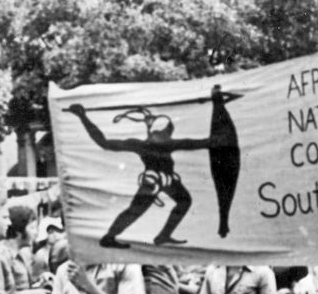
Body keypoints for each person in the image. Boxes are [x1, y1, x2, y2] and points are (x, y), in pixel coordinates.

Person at [66, 84, 243, 248]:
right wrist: (220, 131)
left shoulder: (141, 144)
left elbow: (103, 141)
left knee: (181, 201)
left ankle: (160, 236)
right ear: (165, 132)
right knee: (139, 210)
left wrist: (83, 117)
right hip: (155, 181)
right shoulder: (166, 144)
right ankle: (111, 237)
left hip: (162, 180)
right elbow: (202, 142)